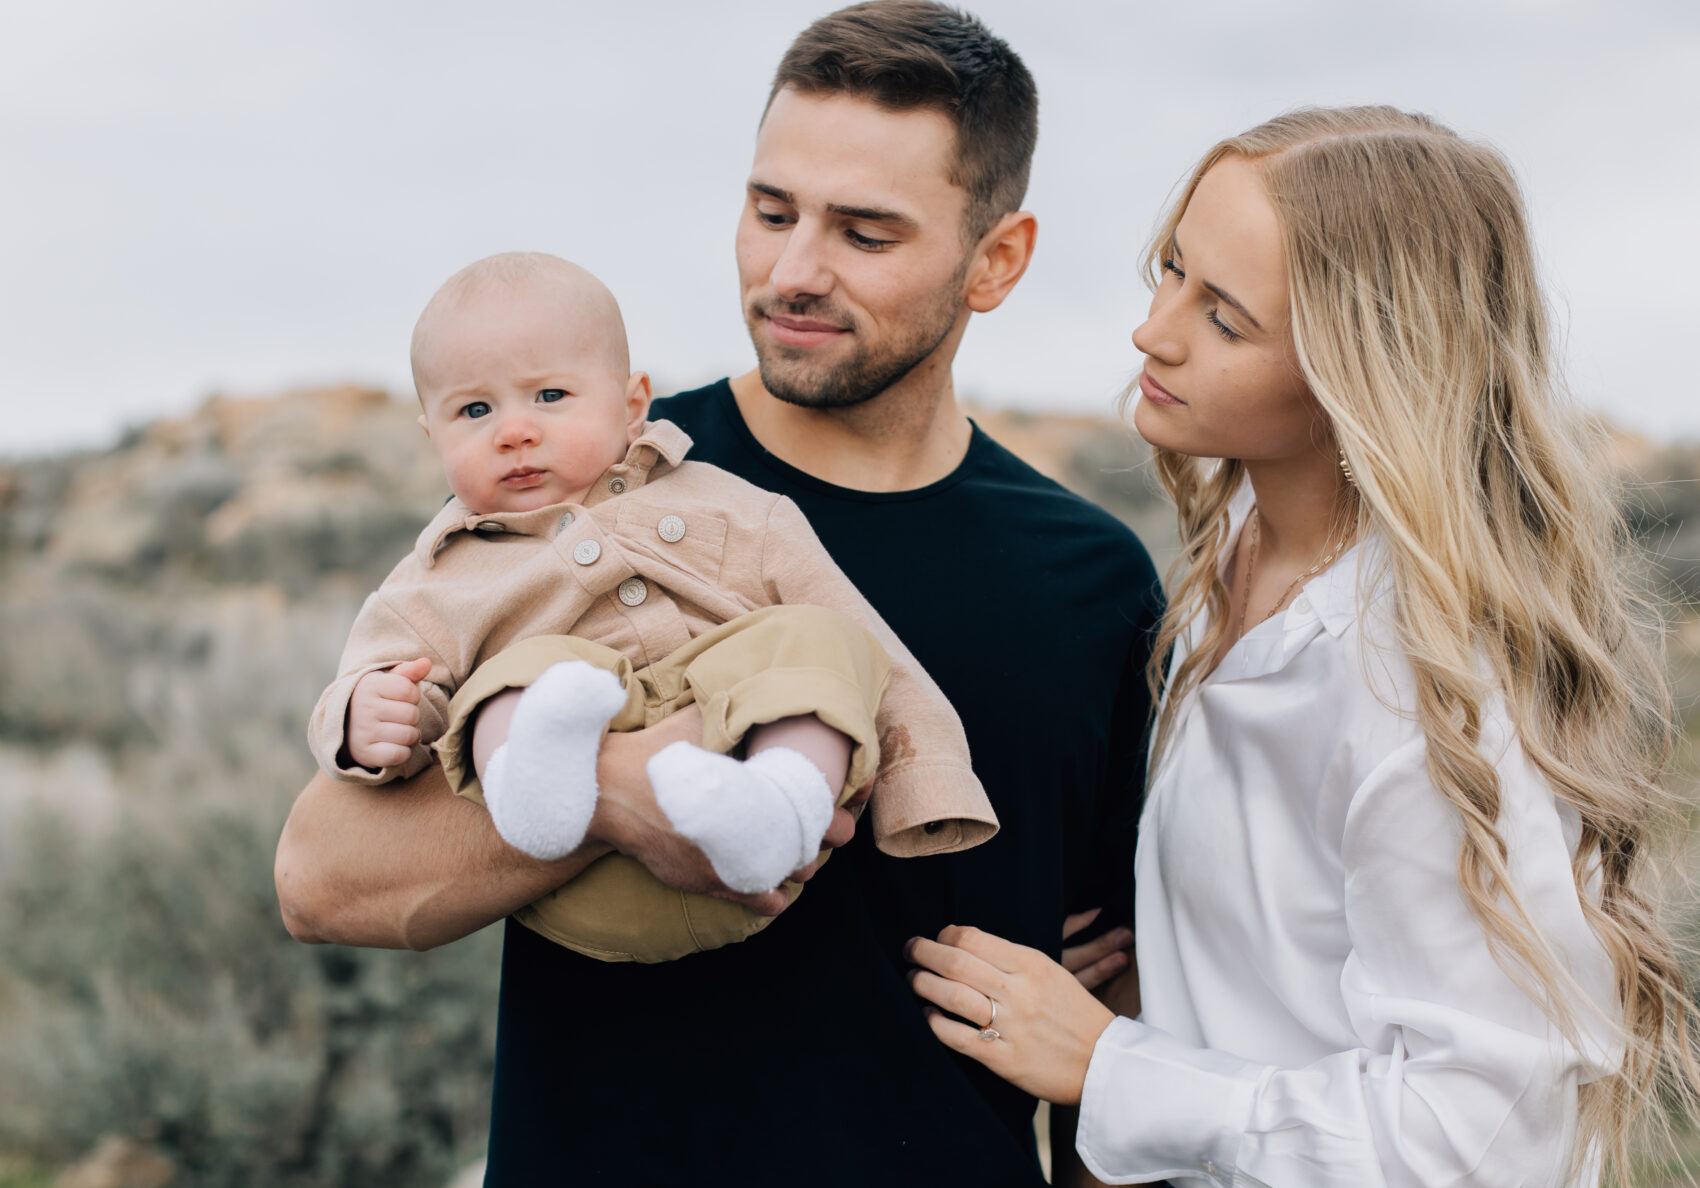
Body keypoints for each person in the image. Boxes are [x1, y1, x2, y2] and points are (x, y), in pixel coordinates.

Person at [276, 3, 1158, 1183]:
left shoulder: (1087, 582)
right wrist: (612, 796)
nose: (792, 271)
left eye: (865, 232)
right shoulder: (588, 489)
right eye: (770, 210)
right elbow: (322, 877)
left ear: (994, 258)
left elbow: (1118, 988)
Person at [907, 105, 1700, 1186]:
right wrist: (1152, 975)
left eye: (1224, 318)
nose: (1155, 331)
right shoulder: (1228, 561)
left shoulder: (1426, 687)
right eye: (1172, 269)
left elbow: (1474, 1148)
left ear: (1361, 368)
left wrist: (1109, 1064)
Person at [307, 250, 996, 962]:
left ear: (632, 402)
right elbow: (378, 674)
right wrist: (367, 716)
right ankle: (535, 786)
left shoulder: (729, 506)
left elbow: (871, 645)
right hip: (587, 885)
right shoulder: (437, 575)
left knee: (824, 641)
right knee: (531, 675)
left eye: (549, 397)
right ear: (433, 437)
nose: (514, 431)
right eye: (475, 410)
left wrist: (927, 783)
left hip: (768, 864)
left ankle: (777, 804)